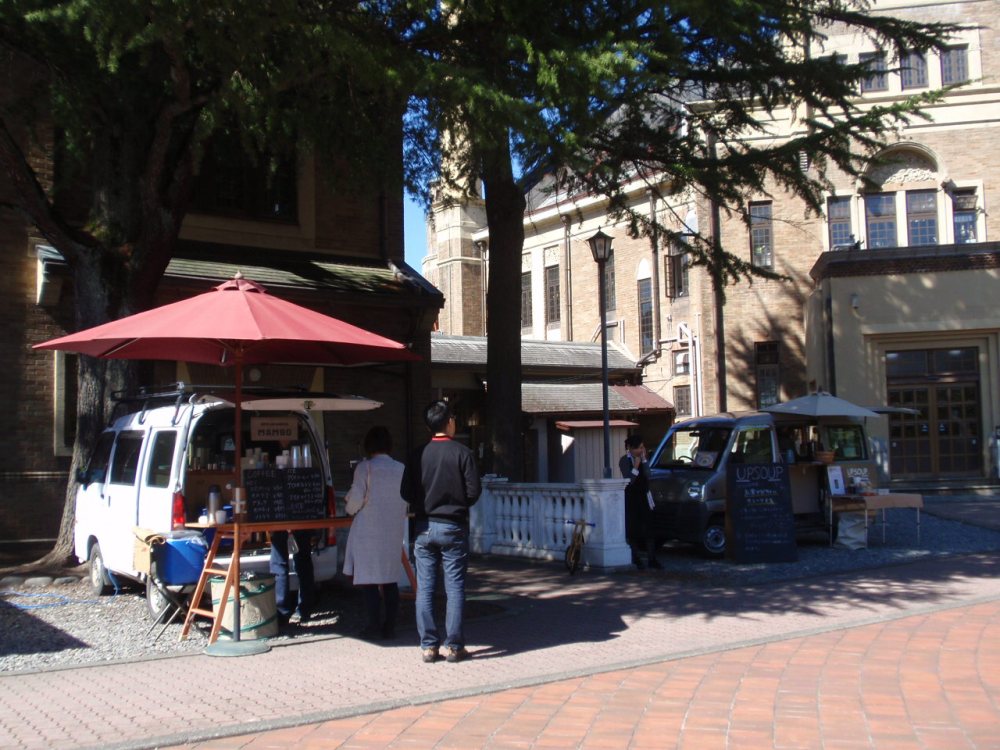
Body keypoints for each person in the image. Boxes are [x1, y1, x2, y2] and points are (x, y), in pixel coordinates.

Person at [401, 400, 481, 664]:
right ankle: (455, 646)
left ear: (428, 425)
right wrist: (457, 504)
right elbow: (473, 491)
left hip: (423, 526)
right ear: (449, 422)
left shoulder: (416, 455)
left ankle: (428, 646)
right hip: (453, 525)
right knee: (454, 587)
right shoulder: (462, 453)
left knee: (424, 588)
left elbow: (405, 492)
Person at [343, 425, 408, 640]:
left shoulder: (365, 468)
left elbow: (354, 502)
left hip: (368, 530)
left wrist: (348, 507)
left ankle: (373, 626)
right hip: (393, 529)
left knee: (369, 581)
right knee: (390, 579)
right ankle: (390, 626)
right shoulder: (401, 468)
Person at [619, 434, 661, 570]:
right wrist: (635, 467)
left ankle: (652, 558)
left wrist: (644, 461)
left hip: (644, 495)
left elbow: (649, 475)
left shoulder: (644, 459)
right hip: (631, 497)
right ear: (630, 448)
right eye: (638, 448)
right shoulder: (624, 461)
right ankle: (635, 557)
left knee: (649, 526)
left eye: (642, 447)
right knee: (633, 527)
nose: (640, 451)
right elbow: (629, 480)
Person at [269, 528, 315, 626]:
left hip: (280, 523)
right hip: (303, 521)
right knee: (304, 564)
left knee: (279, 566)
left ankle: (282, 613)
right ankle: (305, 610)